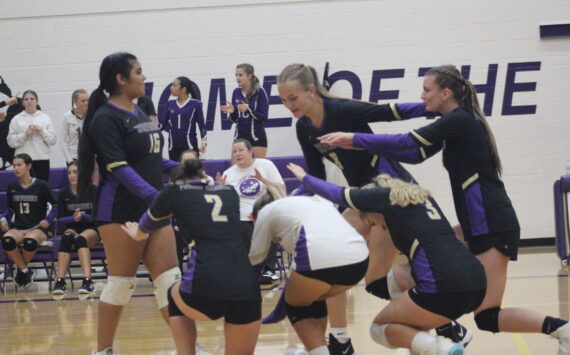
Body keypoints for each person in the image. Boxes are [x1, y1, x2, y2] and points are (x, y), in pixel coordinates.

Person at [318, 64, 570, 354]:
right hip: (476, 225)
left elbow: (407, 141)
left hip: (492, 225)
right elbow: (414, 153)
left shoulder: (460, 120)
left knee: (488, 316)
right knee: (399, 279)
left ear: (446, 93)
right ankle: (435, 335)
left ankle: (562, 329)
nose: (422, 96)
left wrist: (355, 139)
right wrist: (362, 145)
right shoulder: (455, 123)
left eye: (427, 90)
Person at [276, 63, 460, 353]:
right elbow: (316, 176)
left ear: (311, 90)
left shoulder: (342, 110)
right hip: (364, 199)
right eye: (283, 100)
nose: (289, 106)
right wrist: (289, 201)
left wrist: (443, 108)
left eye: (293, 98)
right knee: (341, 266)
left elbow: (391, 112)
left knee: (346, 262)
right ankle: (342, 339)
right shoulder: (304, 128)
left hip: (393, 191)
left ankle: (442, 322)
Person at [287, 164, 486, 354]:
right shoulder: (419, 200)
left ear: (374, 208)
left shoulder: (384, 197)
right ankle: (450, 332)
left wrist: (305, 179)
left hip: (444, 286)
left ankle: (442, 347)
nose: (378, 227)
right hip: (477, 280)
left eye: (372, 221)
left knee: (379, 328)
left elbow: (340, 194)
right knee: (389, 287)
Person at [77, 52, 180, 355]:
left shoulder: (139, 112)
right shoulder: (104, 119)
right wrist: (154, 196)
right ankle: (103, 350)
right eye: (138, 71)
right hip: (120, 210)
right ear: (121, 79)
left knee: (170, 282)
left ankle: (188, 347)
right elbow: (118, 167)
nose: (144, 77)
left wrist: (187, 172)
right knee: (121, 283)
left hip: (153, 208)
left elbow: (151, 159)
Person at [122, 159, 261, 355]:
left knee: (172, 291)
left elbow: (145, 225)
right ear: (205, 177)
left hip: (204, 284)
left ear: (175, 182)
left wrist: (139, 233)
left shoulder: (173, 192)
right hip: (246, 286)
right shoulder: (230, 192)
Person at [250, 186, 369, 355]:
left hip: (320, 256)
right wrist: (277, 313)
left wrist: (246, 304)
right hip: (359, 259)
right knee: (313, 297)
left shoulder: (265, 214)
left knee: (298, 306)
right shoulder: (311, 203)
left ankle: (319, 351)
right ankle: (319, 348)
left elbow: (255, 265)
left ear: (257, 213)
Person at [217, 138, 285, 284]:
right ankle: (251, 269)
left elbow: (281, 189)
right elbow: (225, 203)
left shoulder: (265, 165)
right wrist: (221, 189)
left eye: (241, 150)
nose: (237, 154)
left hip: (264, 211)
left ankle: (268, 270)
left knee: (264, 222)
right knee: (242, 227)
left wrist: (264, 180)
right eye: (234, 152)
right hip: (240, 216)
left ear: (250, 151)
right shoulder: (228, 173)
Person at [0, 153, 57, 289]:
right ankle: (25, 270)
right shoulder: (12, 186)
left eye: (19, 165)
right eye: (14, 165)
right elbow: (10, 209)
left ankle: (20, 270)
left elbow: (56, 206)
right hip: (19, 227)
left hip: (37, 228)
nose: (15, 168)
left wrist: (48, 220)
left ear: (29, 166)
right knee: (7, 240)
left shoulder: (42, 185)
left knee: (29, 242)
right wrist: (3, 218)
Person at [52, 160, 99, 296]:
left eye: (75, 172)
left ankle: (88, 280)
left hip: (92, 228)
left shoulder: (93, 190)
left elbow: (99, 216)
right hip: (73, 227)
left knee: (80, 240)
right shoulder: (63, 193)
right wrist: (73, 218)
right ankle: (60, 281)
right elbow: (60, 219)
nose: (71, 175)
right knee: (66, 238)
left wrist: (84, 216)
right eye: (69, 173)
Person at [220, 63, 269, 158]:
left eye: (240, 75)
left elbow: (264, 117)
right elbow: (234, 120)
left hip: (257, 138)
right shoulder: (236, 92)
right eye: (236, 75)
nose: (237, 78)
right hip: (239, 138)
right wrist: (233, 112)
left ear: (249, 76)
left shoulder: (260, 92)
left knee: (257, 170)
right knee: (237, 170)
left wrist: (248, 110)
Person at [7, 90, 57, 182]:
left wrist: (42, 131)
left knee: (42, 190)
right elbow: (11, 142)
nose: (29, 101)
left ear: (37, 101)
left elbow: (53, 140)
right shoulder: (16, 119)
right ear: (22, 102)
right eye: (26, 99)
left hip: (42, 159)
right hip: (23, 161)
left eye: (32, 99)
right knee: (25, 189)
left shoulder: (45, 117)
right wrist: (25, 135)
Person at [160, 76, 207, 161]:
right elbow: (161, 125)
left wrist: (204, 142)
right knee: (176, 173)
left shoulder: (195, 104)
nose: (171, 88)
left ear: (183, 89)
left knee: (191, 173)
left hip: (190, 147)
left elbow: (202, 126)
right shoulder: (170, 104)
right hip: (173, 147)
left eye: (174, 85)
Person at [61, 89, 89, 164]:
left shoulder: (91, 115)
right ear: (75, 102)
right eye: (83, 101)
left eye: (87, 100)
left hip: (89, 156)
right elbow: (62, 141)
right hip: (74, 157)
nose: (86, 103)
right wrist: (70, 160)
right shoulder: (67, 117)